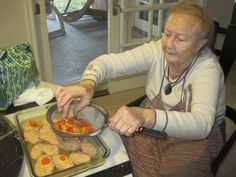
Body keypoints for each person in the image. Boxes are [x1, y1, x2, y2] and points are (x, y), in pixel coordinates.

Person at [56, 2, 225, 177]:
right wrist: (87, 84)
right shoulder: (157, 49)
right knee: (114, 149)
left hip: (196, 136)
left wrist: (146, 116)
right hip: (155, 116)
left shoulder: (208, 69)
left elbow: (201, 124)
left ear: (199, 45)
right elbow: (107, 63)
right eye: (167, 34)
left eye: (180, 39)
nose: (169, 44)